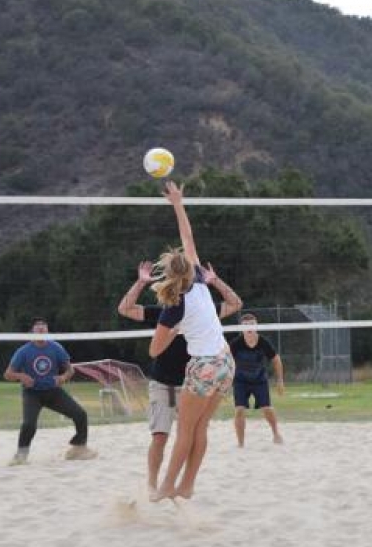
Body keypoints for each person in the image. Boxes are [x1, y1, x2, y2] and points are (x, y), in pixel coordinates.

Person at [118, 259, 242, 493]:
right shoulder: (164, 312)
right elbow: (124, 308)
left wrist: (215, 281)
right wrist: (140, 283)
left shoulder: (201, 307)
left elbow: (235, 303)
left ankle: (181, 485)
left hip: (194, 382)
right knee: (160, 437)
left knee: (192, 432)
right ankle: (153, 485)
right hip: (164, 382)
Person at [148, 180, 235, 502]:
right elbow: (188, 237)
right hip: (226, 362)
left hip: (204, 367)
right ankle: (186, 486)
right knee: (200, 429)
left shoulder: (173, 304)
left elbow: (154, 350)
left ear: (168, 274)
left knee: (185, 432)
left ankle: (167, 486)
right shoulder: (198, 278)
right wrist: (178, 203)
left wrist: (171, 332)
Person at [3, 317, 96, 464]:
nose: (41, 329)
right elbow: (7, 374)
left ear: (47, 331)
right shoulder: (23, 351)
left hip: (53, 392)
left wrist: (63, 377)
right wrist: (21, 376)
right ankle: (21, 455)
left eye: (43, 327)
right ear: (32, 332)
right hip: (32, 393)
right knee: (29, 424)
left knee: (80, 414)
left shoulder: (56, 348)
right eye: (37, 327)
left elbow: (70, 370)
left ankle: (79, 447)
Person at [230, 313, 285, 446]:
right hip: (240, 381)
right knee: (239, 410)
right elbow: (226, 362)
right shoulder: (236, 344)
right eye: (246, 325)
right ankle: (240, 443)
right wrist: (224, 383)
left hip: (259, 380)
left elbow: (276, 360)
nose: (249, 328)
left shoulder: (263, 342)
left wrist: (280, 381)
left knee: (267, 408)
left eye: (252, 324)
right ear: (241, 328)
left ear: (257, 326)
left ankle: (276, 433)